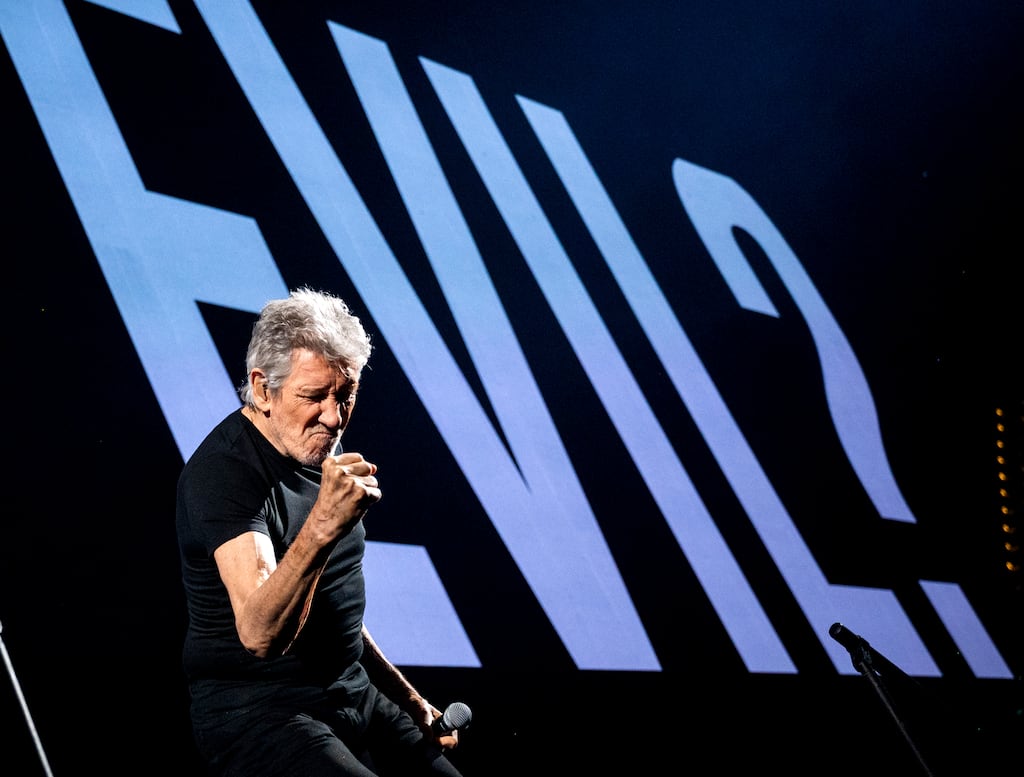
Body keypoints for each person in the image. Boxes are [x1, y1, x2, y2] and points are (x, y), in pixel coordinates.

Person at [176, 287, 466, 777]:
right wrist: (324, 524)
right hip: (261, 713)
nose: (333, 418)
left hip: (351, 691)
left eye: (345, 395)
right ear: (263, 389)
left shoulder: (311, 446)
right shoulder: (224, 474)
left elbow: (331, 604)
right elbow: (259, 634)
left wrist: (408, 698)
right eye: (313, 397)